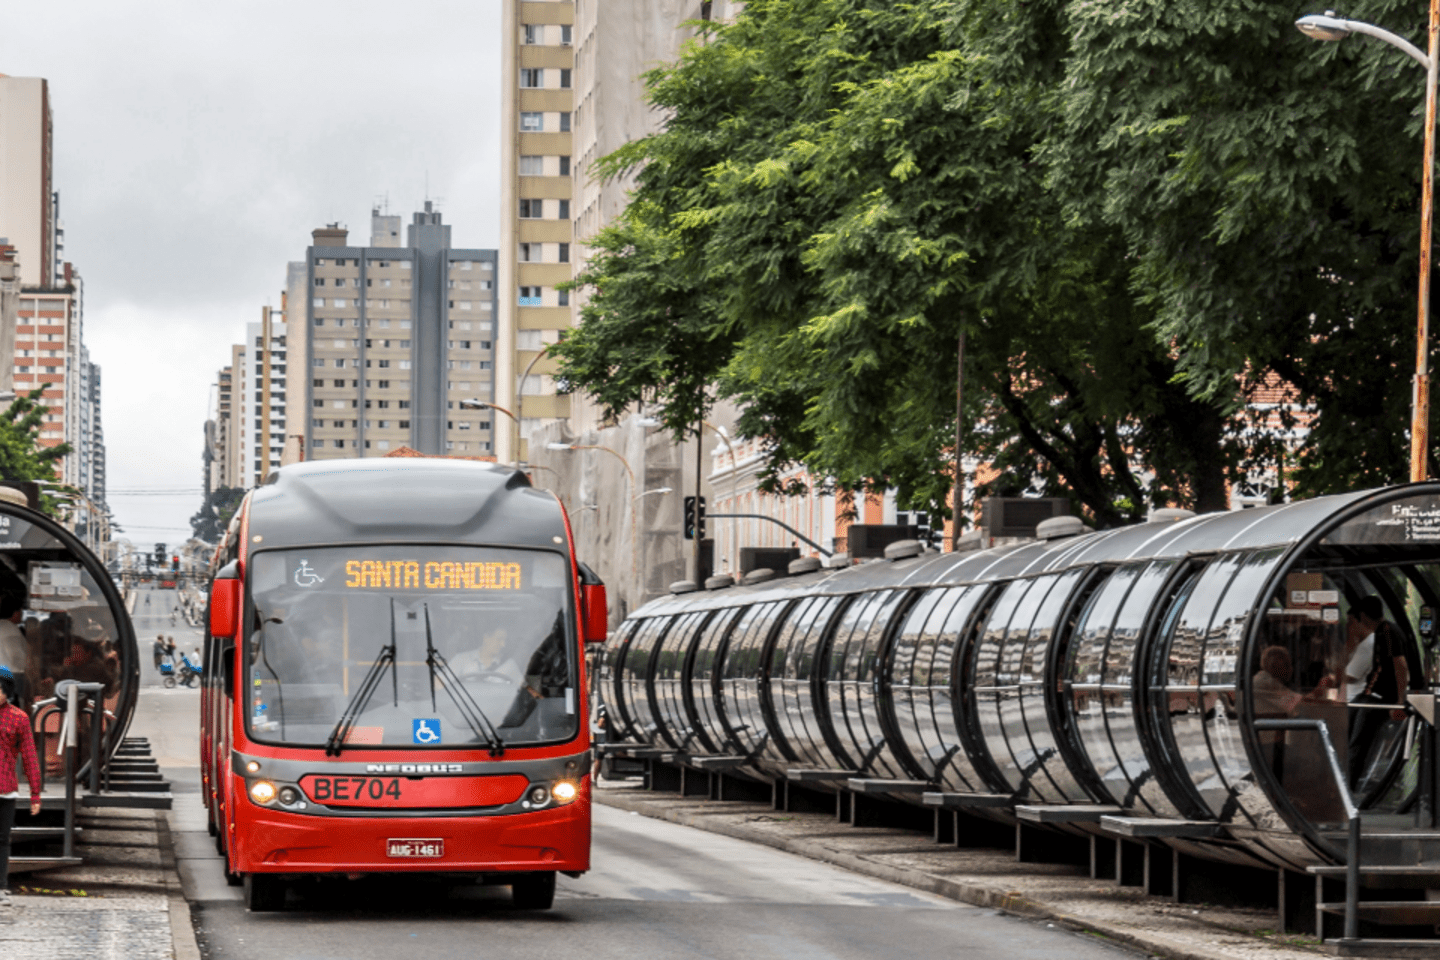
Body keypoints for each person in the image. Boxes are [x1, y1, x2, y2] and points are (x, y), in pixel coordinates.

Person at [1337, 596, 1410, 788]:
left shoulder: (1387, 632)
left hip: (1379, 697)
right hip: (1370, 694)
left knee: (1358, 742)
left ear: (1363, 616)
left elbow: (1400, 666)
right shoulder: (1383, 632)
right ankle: (1341, 781)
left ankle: (1347, 787)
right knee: (1347, 729)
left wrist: (1400, 702)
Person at [0, 666, 42, 909]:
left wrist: (35, 793)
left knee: (3, 839)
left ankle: (2, 885)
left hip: (5, 789)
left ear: (7, 691)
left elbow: (29, 756)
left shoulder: (19, 718)